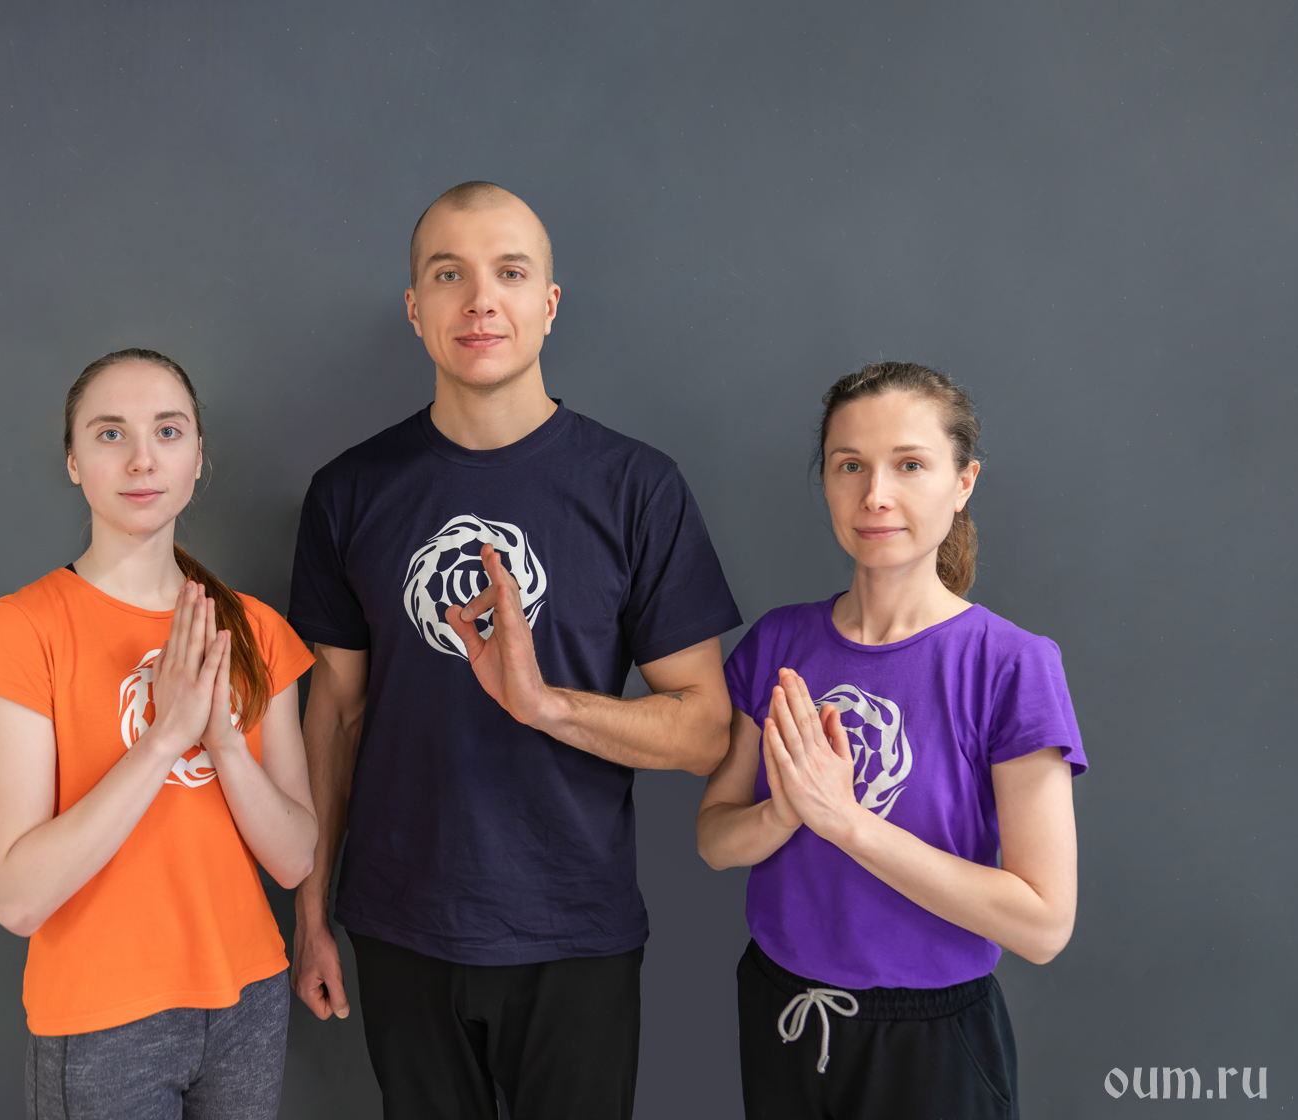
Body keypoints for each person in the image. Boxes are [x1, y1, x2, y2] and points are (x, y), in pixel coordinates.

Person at [287, 182, 743, 1119]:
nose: (480, 301)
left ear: (549, 302)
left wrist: (547, 705)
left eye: (509, 272)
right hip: (399, 925)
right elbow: (333, 712)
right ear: (415, 308)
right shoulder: (348, 493)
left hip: (575, 929)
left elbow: (706, 732)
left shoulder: (636, 488)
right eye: (448, 275)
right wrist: (310, 909)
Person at [696, 362, 1086, 1119]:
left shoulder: (1010, 664)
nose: (875, 494)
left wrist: (846, 823)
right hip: (782, 1012)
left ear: (963, 483)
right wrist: (783, 812)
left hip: (931, 1043)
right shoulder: (778, 641)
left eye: (909, 465)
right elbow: (714, 841)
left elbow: (1042, 925)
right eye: (850, 466)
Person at [0, 348, 318, 1120]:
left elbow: (295, 859)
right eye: (110, 433)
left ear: (198, 459)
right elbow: (17, 899)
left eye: (168, 430)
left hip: (247, 1003)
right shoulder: (21, 630)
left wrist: (223, 741)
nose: (142, 458)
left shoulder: (255, 630)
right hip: (102, 1017)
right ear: (73, 461)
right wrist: (162, 739)